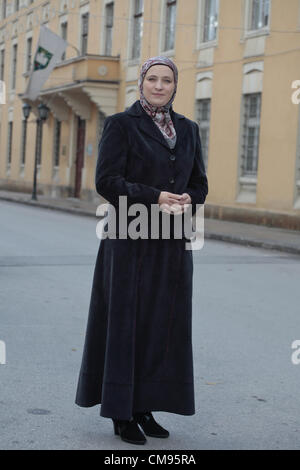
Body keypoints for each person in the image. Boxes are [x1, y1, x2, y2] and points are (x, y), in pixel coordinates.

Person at [75, 56, 208, 446]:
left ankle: (145, 406)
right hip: (130, 240)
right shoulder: (121, 125)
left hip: (171, 243)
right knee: (127, 324)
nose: (160, 85)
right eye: (153, 79)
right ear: (141, 82)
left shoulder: (188, 129)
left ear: (175, 86)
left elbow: (200, 183)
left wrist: (188, 198)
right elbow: (107, 181)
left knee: (162, 327)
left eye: (167, 80)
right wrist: (154, 196)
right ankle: (122, 412)